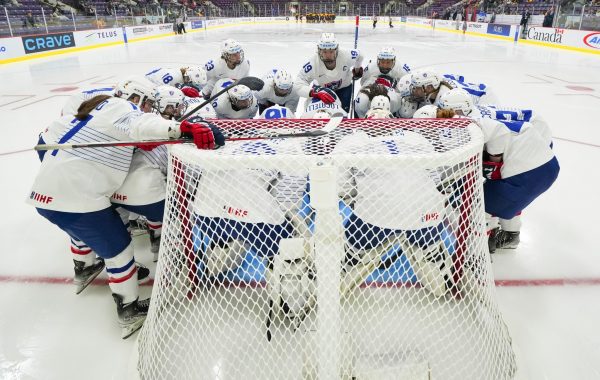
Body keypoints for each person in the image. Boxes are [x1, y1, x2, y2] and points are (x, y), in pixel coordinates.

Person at [29, 79, 222, 339]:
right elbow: (142, 124)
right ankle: (129, 310)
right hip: (78, 198)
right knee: (118, 248)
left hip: (47, 193)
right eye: (148, 103)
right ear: (136, 97)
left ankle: (84, 266)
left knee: (85, 228)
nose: (149, 108)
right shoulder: (121, 109)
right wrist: (181, 128)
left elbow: (42, 143)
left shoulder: (86, 113)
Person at [437, 89, 560, 251]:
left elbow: (498, 133)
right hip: (539, 160)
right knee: (498, 195)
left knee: (480, 202)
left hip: (531, 166)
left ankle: (480, 249)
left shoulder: (473, 121)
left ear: (457, 111)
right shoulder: (472, 115)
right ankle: (506, 234)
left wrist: (493, 162)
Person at [294, 33, 363, 113]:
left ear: (337, 49)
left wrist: (357, 70)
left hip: (344, 88)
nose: (328, 55)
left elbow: (360, 55)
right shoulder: (313, 63)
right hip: (321, 91)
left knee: (342, 115)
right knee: (318, 114)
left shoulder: (346, 55)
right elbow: (298, 84)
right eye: (324, 52)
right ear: (319, 50)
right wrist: (314, 93)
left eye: (331, 51)